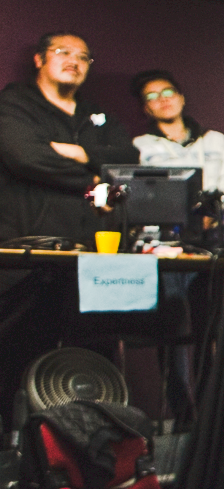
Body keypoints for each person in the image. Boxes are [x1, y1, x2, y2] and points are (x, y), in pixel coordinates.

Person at [0, 32, 137, 414]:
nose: (74, 60)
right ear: (40, 60)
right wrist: (94, 179)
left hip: (90, 262)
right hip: (25, 261)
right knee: (16, 362)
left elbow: (129, 157)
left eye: (83, 56)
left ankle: (81, 456)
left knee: (91, 360)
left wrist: (79, 151)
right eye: (63, 52)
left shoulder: (99, 116)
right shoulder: (14, 103)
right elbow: (25, 157)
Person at [129, 69, 224, 221]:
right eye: (152, 96)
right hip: (164, 228)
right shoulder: (140, 145)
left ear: (181, 98)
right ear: (146, 109)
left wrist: (214, 213)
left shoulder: (215, 140)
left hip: (214, 228)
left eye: (168, 92)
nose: (163, 99)